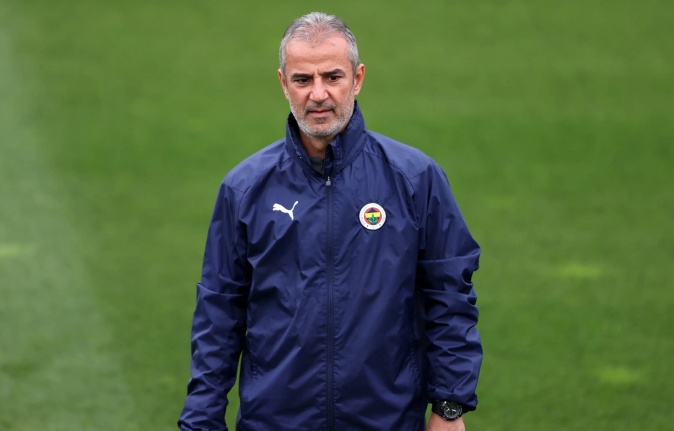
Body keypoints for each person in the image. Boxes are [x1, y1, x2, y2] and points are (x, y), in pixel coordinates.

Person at [179, 11, 482, 431]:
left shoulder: (415, 179)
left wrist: (449, 407)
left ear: (357, 79)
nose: (318, 94)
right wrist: (201, 422)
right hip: (275, 423)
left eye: (332, 77)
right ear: (283, 84)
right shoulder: (244, 189)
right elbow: (218, 314)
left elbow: (450, 296)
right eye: (303, 79)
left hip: (386, 421)